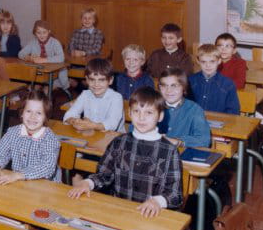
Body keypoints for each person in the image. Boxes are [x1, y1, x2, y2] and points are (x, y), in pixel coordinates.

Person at [68, 87, 183, 218]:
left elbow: (175, 195)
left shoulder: (169, 151)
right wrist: (87, 183)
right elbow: (104, 175)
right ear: (129, 113)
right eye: (136, 111)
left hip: (151, 215)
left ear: (160, 116)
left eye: (149, 112)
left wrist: (157, 201)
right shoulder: (119, 142)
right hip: (118, 211)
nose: (141, 117)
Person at [0, 90, 60, 230]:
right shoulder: (13, 132)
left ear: (46, 117)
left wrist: (18, 174)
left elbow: (47, 168)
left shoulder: (50, 139)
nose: (32, 117)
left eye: (38, 113)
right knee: (3, 222)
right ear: (21, 113)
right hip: (19, 189)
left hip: (44, 195)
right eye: (28, 111)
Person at [63, 58, 125, 132]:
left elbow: (112, 124)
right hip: (91, 134)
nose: (96, 84)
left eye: (101, 80)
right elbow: (69, 114)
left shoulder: (116, 97)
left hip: (113, 136)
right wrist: (75, 121)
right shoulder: (85, 94)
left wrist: (91, 125)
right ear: (87, 79)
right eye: (92, 79)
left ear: (110, 80)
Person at [157, 68, 211, 148]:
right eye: (164, 86)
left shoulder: (194, 109)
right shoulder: (152, 106)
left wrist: (179, 142)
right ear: (159, 88)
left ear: (184, 87)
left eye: (174, 86)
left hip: (181, 153)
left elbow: (204, 140)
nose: (168, 90)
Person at [189, 44, 240, 114]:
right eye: (203, 62)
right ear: (198, 61)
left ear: (219, 61)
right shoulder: (190, 81)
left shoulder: (228, 84)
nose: (208, 65)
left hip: (218, 120)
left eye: (212, 61)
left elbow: (233, 111)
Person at [18, 20, 68, 90]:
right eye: (38, 33)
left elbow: (61, 57)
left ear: (49, 31)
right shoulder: (33, 43)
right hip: (40, 75)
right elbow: (20, 53)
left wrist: (44, 60)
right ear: (35, 33)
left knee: (46, 90)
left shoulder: (55, 42)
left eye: (44, 32)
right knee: (31, 89)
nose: (41, 35)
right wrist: (29, 58)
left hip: (56, 76)